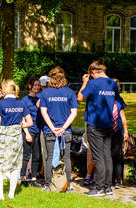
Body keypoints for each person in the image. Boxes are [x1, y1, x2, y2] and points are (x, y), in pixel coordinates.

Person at [77, 59, 122, 196]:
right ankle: (108, 187)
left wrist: (85, 82)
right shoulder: (113, 84)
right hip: (108, 124)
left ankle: (99, 187)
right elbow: (115, 100)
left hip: (95, 124)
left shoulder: (93, 83)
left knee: (98, 157)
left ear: (93, 72)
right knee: (107, 155)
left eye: (91, 74)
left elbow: (80, 97)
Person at [0, 79, 33, 200]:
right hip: (16, 138)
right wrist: (20, 125)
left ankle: (0, 196)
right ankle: (11, 194)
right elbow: (29, 122)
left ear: (4, 89)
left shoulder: (1, 104)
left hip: (4, 138)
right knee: (15, 166)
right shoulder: (21, 103)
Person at [40, 66, 78, 192]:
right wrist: (63, 128)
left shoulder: (45, 93)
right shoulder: (70, 93)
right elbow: (74, 113)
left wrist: (53, 128)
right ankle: (68, 186)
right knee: (66, 157)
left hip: (50, 131)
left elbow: (43, 112)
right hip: (65, 131)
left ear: (51, 78)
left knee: (49, 156)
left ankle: (48, 184)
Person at [21, 77, 42, 188]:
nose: (37, 87)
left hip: (38, 131)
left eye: (38, 85)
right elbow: (22, 119)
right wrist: (27, 133)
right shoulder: (24, 100)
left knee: (37, 156)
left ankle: (34, 178)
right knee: (26, 156)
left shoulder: (39, 99)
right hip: (28, 131)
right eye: (35, 85)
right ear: (30, 86)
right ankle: (23, 178)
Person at [110, 78, 129, 189]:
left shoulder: (119, 100)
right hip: (106, 131)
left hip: (117, 132)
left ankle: (118, 180)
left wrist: (125, 130)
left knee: (118, 155)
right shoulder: (104, 99)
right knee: (108, 155)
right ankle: (109, 179)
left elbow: (123, 116)